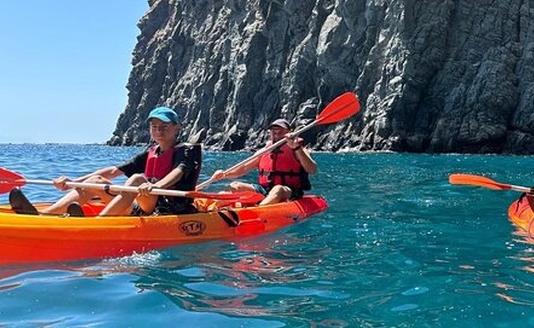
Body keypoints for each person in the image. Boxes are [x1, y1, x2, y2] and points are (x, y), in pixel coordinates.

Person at [9, 107, 201, 217]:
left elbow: (179, 171)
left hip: (168, 209)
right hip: (142, 205)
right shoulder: (151, 152)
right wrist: (72, 181)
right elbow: (113, 171)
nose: (159, 131)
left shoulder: (188, 151)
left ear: (176, 128)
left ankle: (100, 222)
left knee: (136, 179)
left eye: (164, 127)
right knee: (95, 180)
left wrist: (155, 186)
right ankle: (45, 216)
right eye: (155, 127)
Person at [207, 118, 317, 205]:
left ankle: (259, 210)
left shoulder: (298, 149)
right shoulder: (264, 151)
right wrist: (224, 174)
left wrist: (296, 148)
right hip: (264, 189)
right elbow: (243, 168)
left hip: (289, 190)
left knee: (277, 189)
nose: (277, 135)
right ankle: (214, 207)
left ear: (289, 132)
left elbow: (312, 169)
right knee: (235, 186)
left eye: (280, 132)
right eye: (274, 132)